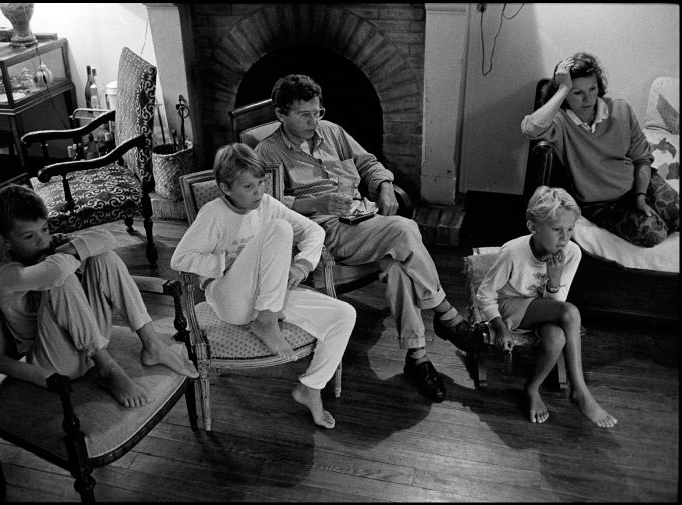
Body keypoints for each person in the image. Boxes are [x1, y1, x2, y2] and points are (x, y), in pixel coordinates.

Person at [255, 74, 483, 403]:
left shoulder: (331, 131)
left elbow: (367, 162)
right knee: (404, 229)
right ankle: (446, 314)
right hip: (326, 231)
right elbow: (269, 206)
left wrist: (385, 186)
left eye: (317, 112)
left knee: (397, 266)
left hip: (364, 219)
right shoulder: (267, 152)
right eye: (304, 114)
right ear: (280, 114)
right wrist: (317, 203)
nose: (313, 121)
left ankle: (417, 357)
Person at [170, 143, 356, 429]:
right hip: (229, 299)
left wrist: (303, 264)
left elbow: (313, 230)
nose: (258, 192)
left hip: (267, 294)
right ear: (225, 187)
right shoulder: (213, 213)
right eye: (248, 186)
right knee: (280, 229)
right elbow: (180, 259)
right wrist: (223, 260)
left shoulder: (267, 204)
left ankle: (311, 388)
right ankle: (267, 320)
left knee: (344, 315)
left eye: (260, 183)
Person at [0, 184, 199, 408]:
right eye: (29, 236)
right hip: (54, 362)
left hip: (90, 342)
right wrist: (70, 250)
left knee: (103, 257)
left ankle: (152, 343)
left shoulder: (48, 246)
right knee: (62, 280)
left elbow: (107, 239)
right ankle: (108, 369)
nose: (43, 241)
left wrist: (69, 248)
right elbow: (56, 272)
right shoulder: (6, 274)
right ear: (6, 241)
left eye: (45, 229)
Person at [476, 185, 618, 428]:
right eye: (557, 230)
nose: (565, 238)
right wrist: (499, 327)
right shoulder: (513, 252)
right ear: (533, 227)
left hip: (542, 309)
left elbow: (555, 304)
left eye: (570, 229)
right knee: (571, 312)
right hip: (510, 308)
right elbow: (485, 294)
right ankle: (579, 389)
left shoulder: (572, 253)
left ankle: (531, 388)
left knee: (556, 338)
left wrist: (553, 281)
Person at [522, 52, 679, 247]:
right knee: (656, 234)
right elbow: (530, 129)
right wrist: (563, 88)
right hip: (602, 204)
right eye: (577, 93)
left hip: (638, 184)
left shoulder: (621, 109)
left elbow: (642, 159)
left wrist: (640, 196)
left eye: (592, 88)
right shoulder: (559, 121)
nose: (588, 99)